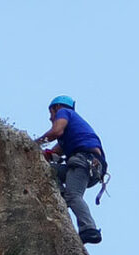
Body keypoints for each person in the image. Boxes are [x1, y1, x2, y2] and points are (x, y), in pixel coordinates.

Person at [35, 95, 107, 244]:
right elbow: (53, 153)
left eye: (51, 113)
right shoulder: (73, 134)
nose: (50, 118)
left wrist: (34, 143)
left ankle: (89, 230)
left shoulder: (64, 112)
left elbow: (56, 132)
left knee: (74, 195)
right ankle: (59, 195)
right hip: (88, 164)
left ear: (57, 108)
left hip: (84, 160)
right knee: (47, 170)